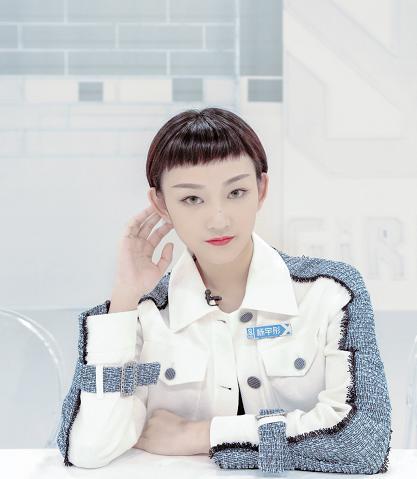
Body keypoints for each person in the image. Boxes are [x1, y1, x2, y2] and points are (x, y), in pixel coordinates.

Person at [56, 107, 392, 473]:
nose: (218, 219)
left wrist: (200, 435)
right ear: (161, 204)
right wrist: (124, 298)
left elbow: (362, 443)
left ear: (261, 189)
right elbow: (90, 449)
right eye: (192, 199)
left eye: (236, 192)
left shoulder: (330, 294)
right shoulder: (143, 315)